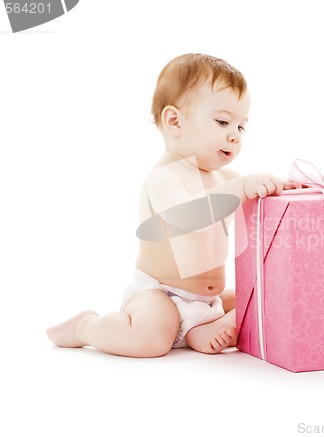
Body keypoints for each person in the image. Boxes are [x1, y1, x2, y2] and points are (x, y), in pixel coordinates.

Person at [47, 53, 298, 358]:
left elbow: (255, 213)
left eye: (241, 126)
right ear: (175, 121)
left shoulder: (229, 179)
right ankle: (85, 327)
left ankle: (200, 328)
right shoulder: (164, 179)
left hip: (209, 302)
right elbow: (188, 216)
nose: (234, 135)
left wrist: (281, 191)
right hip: (159, 294)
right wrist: (241, 188)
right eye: (222, 121)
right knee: (151, 339)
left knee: (262, 296)